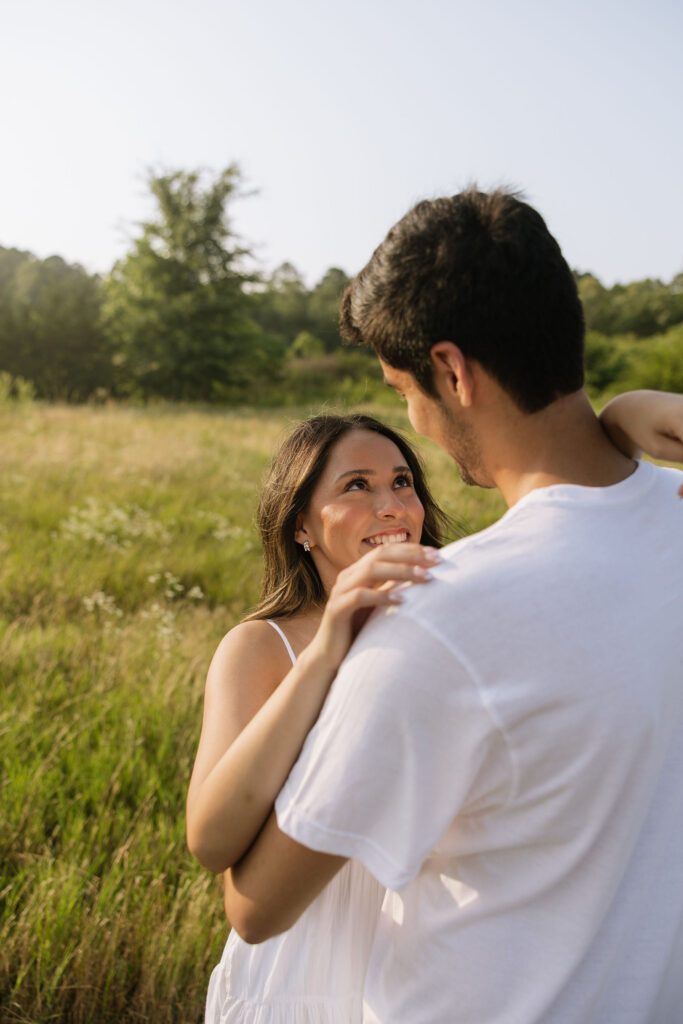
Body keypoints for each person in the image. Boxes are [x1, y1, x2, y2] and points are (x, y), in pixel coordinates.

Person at [208, 190, 683, 1024]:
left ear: (452, 372)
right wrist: (622, 415)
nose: (413, 424)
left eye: (404, 390)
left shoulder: (436, 614)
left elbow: (253, 908)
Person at [187, 413, 449, 1022]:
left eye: (403, 481)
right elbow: (210, 838)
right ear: (301, 522)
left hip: (428, 961)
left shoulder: (455, 621)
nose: (391, 506)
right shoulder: (260, 647)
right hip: (302, 971)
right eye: (357, 485)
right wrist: (329, 649)